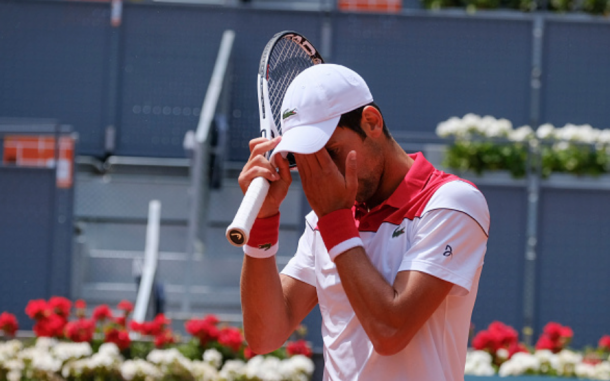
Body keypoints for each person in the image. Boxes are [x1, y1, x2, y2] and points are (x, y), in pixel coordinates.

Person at [238, 64, 490, 381]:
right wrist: (263, 220)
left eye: (331, 151)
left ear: (371, 122)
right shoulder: (325, 219)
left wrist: (334, 220)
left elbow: (390, 332)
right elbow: (264, 337)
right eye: (306, 159)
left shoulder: (452, 202)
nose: (322, 171)